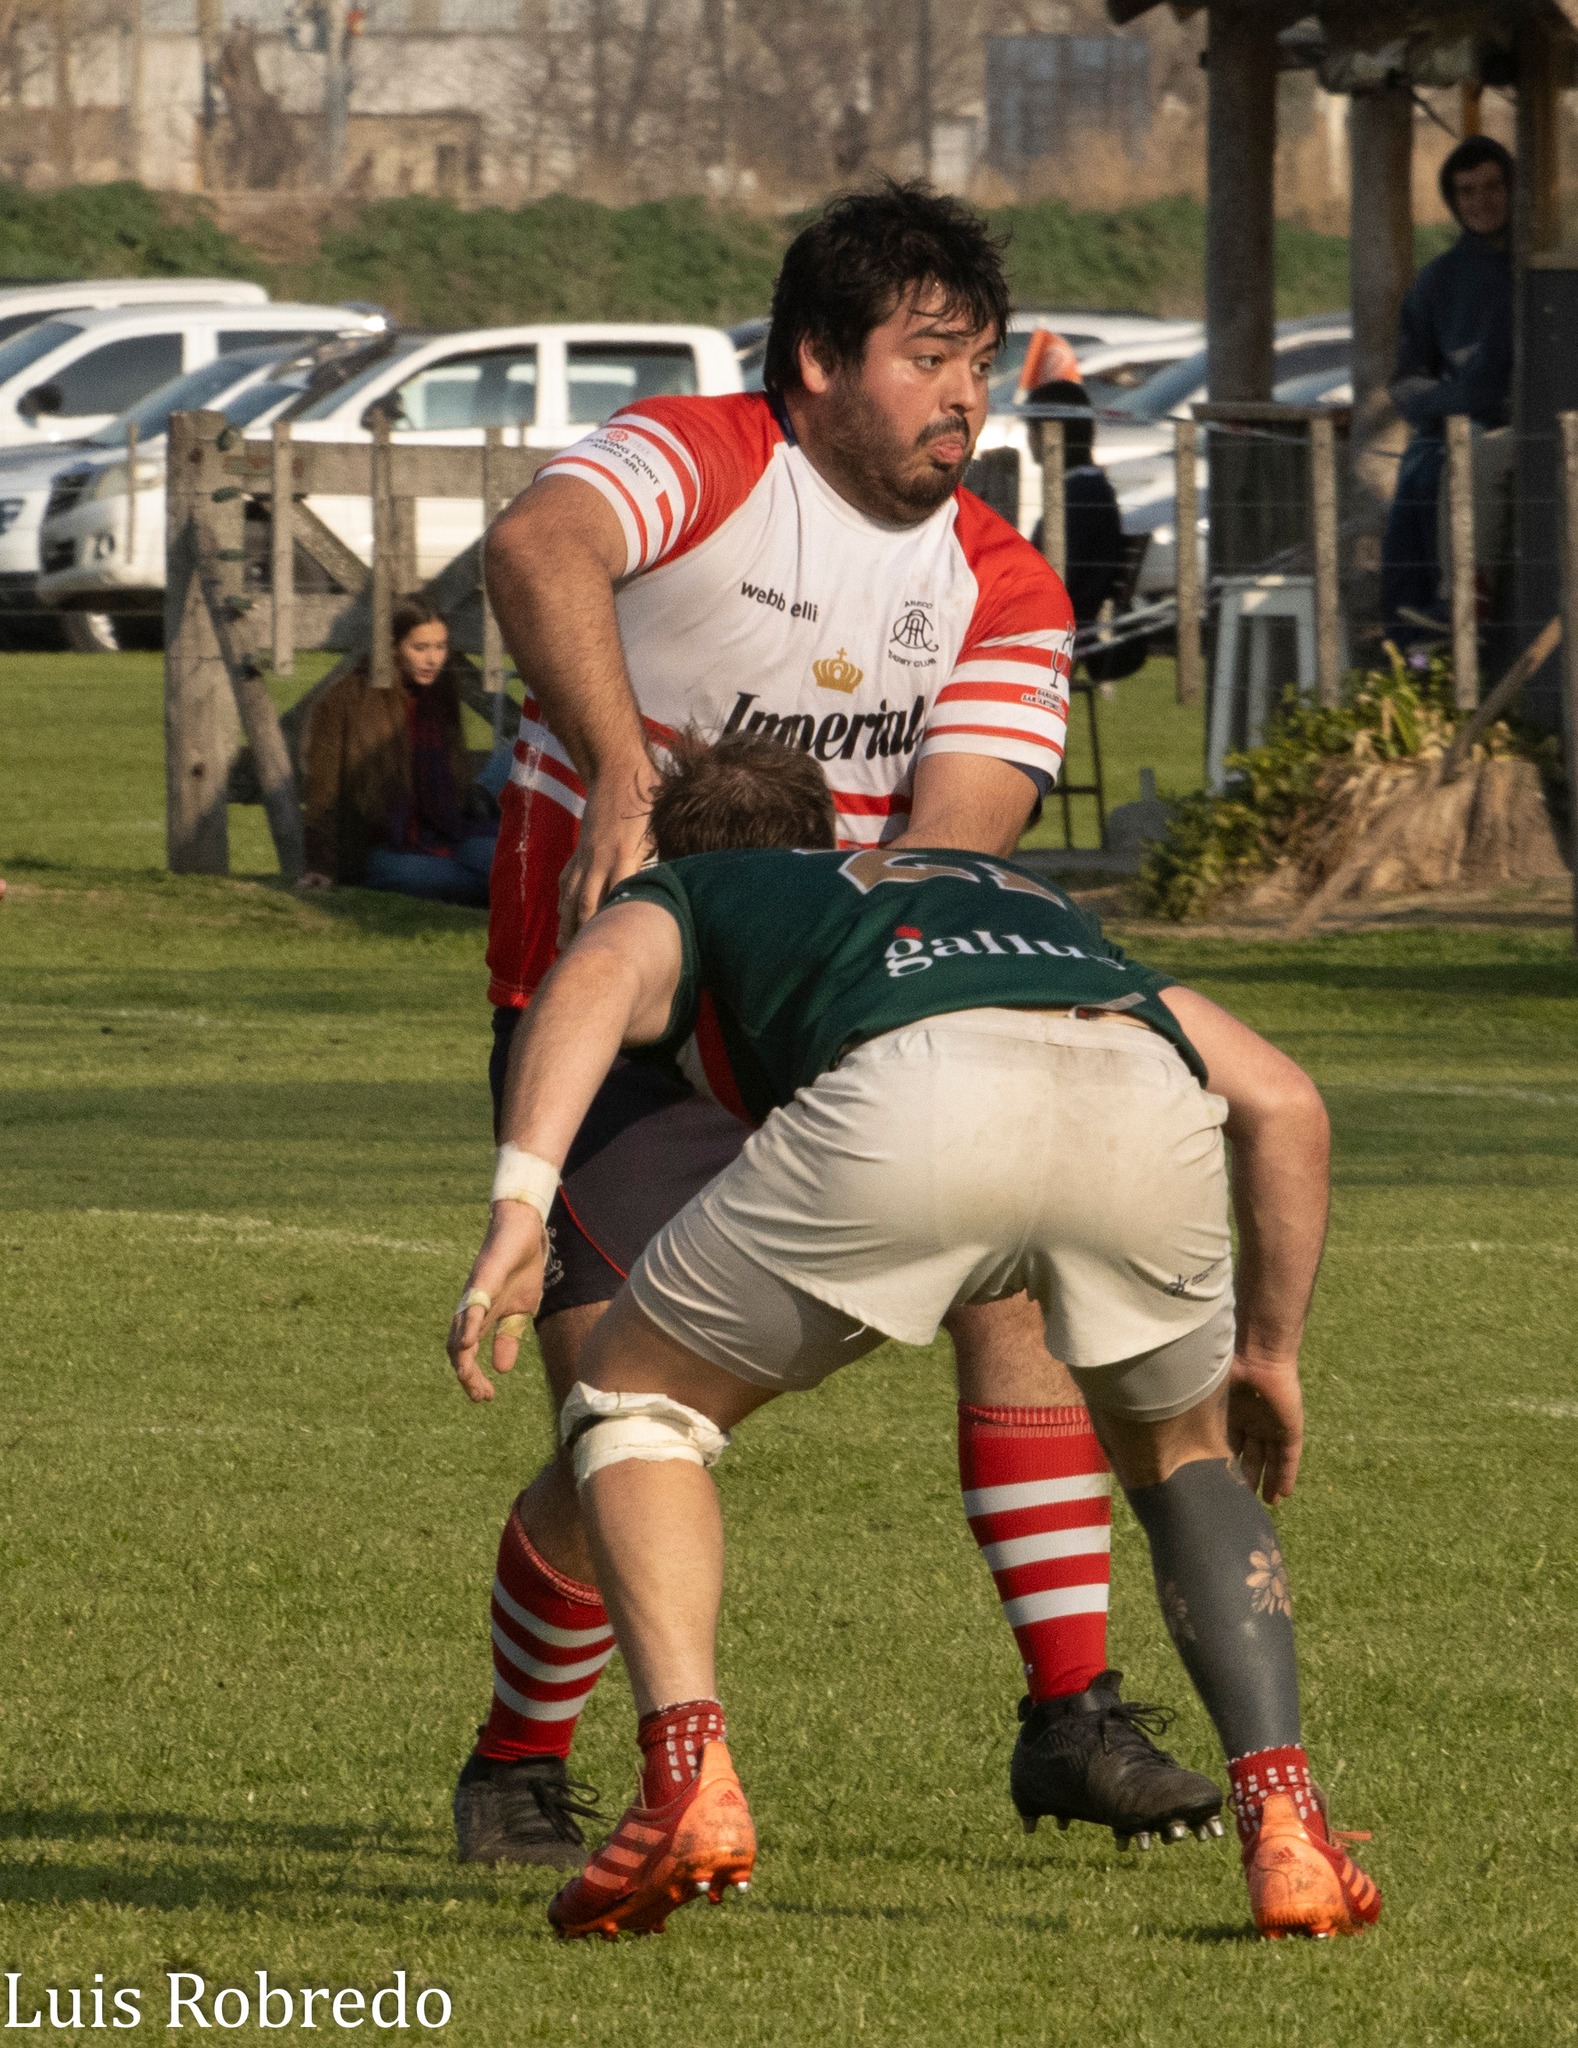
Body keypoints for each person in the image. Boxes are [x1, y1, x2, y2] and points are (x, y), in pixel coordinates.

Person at [459, 180, 1219, 1872]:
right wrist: (619, 782)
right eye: (924, 359)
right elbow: (534, 547)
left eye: (978, 368)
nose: (964, 400)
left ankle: (1071, 1710)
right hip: (615, 1015)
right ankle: (520, 1761)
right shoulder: (705, 455)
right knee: (620, 1419)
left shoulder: (1002, 583)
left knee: (1017, 1273)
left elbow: (945, 855)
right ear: (813, 361)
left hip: (817, 1018)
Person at [446, 735, 1381, 1944]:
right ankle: (1290, 1826)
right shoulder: (1008, 890)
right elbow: (1285, 1101)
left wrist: (521, 1202)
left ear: (679, 839)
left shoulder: (699, 884)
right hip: (1142, 1101)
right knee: (1184, 1461)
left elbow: (588, 978)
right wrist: (1269, 1353)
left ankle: (686, 1774)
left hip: (921, 1097)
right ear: (838, 830)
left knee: (633, 1402)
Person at [1382, 136, 1514, 644]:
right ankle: (1414, 626)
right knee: (1419, 473)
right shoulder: (1438, 281)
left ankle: (1464, 600)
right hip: (1455, 424)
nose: (1482, 202)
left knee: (1467, 460)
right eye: (1468, 192)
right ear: (1453, 202)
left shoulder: (1545, 268)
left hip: (1524, 426)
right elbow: (1408, 380)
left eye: (1494, 187)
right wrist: (1449, 405)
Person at [298, 600, 497, 904]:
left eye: (440, 647)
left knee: (510, 862)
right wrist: (319, 865)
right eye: (420, 648)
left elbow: (454, 776)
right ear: (392, 647)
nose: (433, 659)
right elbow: (323, 792)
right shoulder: (346, 699)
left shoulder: (439, 694)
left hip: (449, 829)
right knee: (471, 882)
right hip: (383, 845)